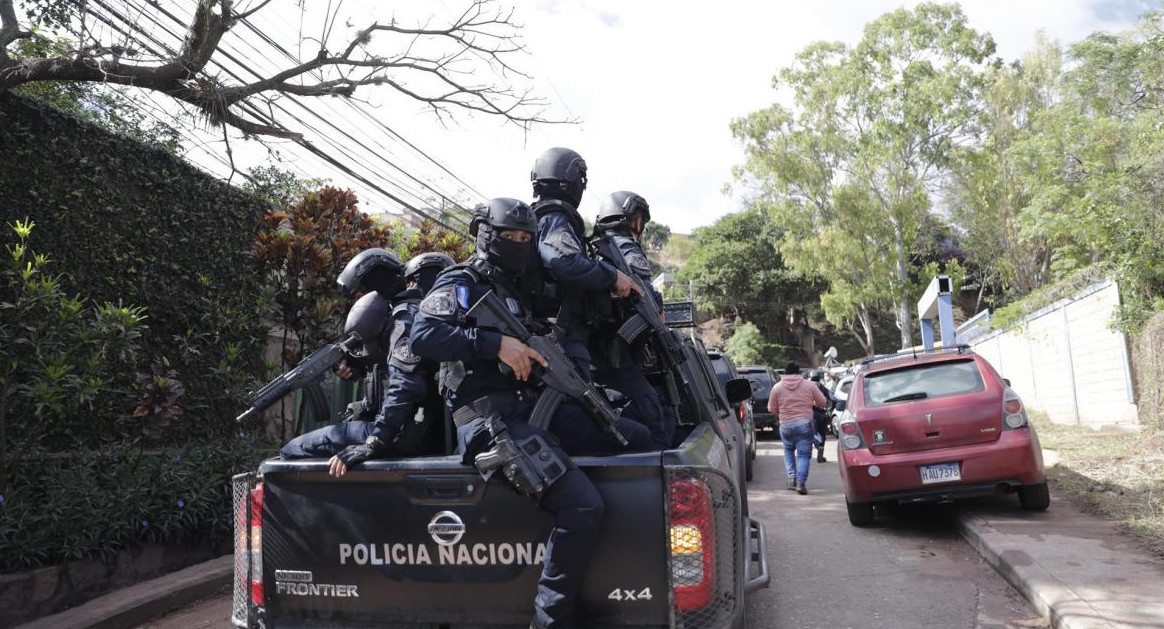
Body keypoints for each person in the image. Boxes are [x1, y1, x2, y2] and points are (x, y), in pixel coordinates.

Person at [410, 197, 645, 629]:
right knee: (583, 506)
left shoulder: (521, 289)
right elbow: (423, 335)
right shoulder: (461, 282)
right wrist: (495, 344)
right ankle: (550, 619)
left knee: (632, 437)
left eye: (525, 238)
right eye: (508, 238)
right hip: (489, 422)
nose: (518, 245)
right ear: (485, 236)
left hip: (533, 410)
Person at [325, 252, 455, 477]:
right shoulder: (427, 322)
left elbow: (406, 385)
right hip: (405, 428)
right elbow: (384, 366)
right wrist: (351, 366)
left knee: (295, 448)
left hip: (400, 432)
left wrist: (375, 442)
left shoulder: (407, 318)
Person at [528, 147, 642, 380]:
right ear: (570, 179)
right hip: (561, 334)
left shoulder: (546, 216)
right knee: (581, 409)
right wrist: (612, 276)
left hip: (565, 332)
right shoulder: (554, 217)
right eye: (581, 178)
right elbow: (563, 262)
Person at [589, 190, 674, 449]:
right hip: (611, 353)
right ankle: (658, 469)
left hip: (595, 349)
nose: (640, 227)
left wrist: (638, 342)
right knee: (652, 410)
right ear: (627, 220)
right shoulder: (624, 247)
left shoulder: (596, 252)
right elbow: (646, 298)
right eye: (638, 220)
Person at [768, 360, 827, 495]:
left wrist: (782, 415)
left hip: (786, 425)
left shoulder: (777, 387)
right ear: (799, 372)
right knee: (804, 455)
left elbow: (771, 408)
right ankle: (801, 483)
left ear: (785, 373)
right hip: (805, 425)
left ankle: (791, 478)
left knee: (788, 450)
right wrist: (811, 403)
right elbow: (822, 401)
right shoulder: (809, 385)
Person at [809, 370, 837, 463]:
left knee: (812, 433)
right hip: (822, 414)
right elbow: (833, 398)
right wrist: (830, 409)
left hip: (810, 414)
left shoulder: (806, 387)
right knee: (822, 434)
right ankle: (820, 453)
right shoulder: (822, 387)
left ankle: (816, 444)